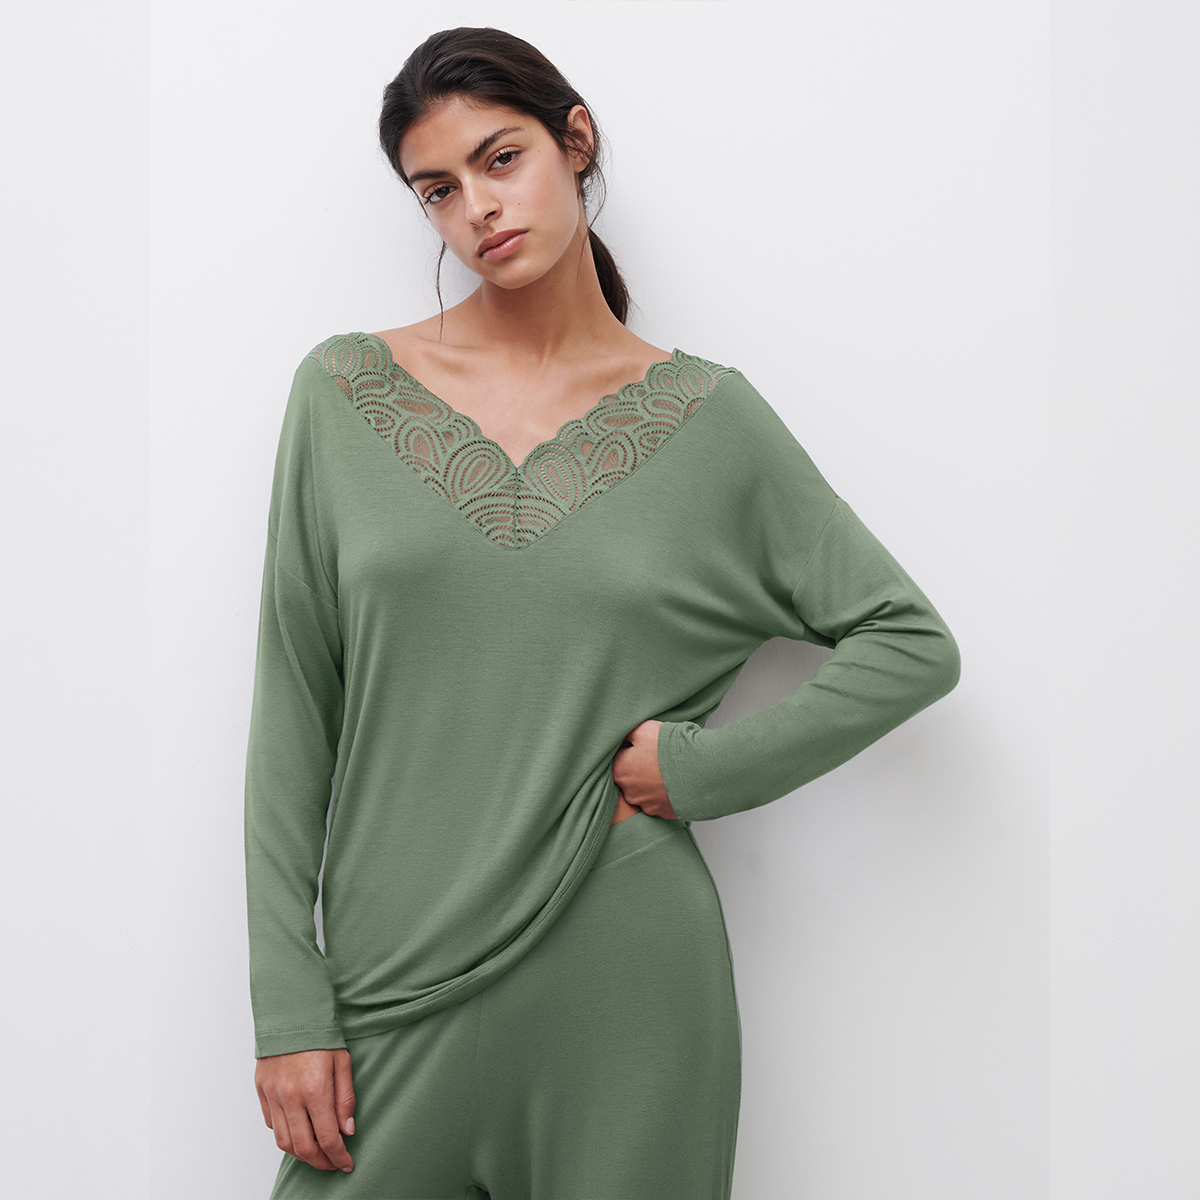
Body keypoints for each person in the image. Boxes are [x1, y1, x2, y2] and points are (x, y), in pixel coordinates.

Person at [244, 25, 961, 1200]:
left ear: (575, 142)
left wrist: (704, 769)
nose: (478, 207)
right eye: (438, 189)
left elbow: (909, 641)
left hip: (626, 977)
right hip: (386, 986)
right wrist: (289, 1003)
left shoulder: (712, 423)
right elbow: (293, 711)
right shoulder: (341, 395)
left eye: (501, 158)